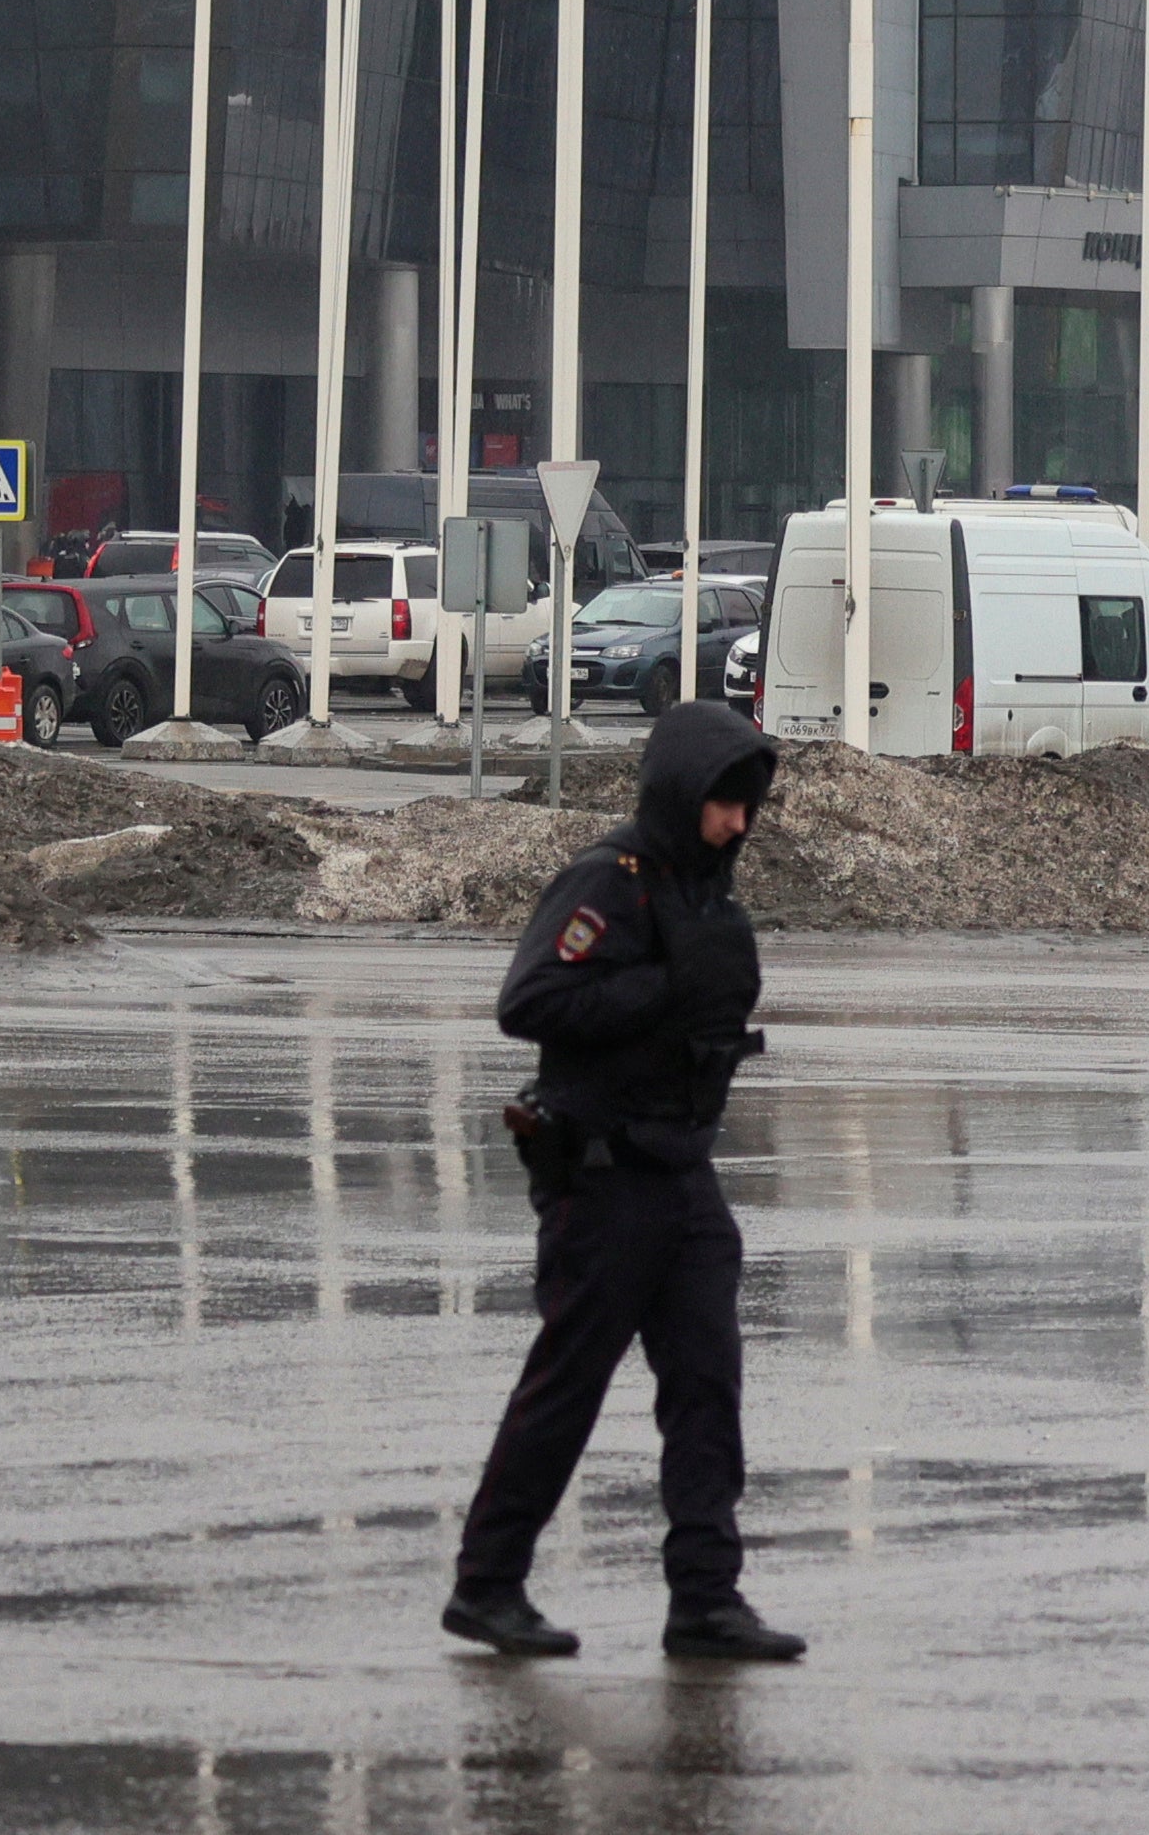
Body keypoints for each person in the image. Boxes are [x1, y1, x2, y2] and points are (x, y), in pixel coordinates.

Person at [444, 696, 801, 1665]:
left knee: (705, 1389)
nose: (737, 823)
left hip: (682, 1177)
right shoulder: (609, 881)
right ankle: (486, 1585)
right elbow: (528, 1000)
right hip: (601, 1180)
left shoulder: (704, 893)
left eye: (747, 806)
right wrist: (658, 990)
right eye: (723, 804)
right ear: (681, 794)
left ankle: (705, 1599)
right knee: (566, 1389)